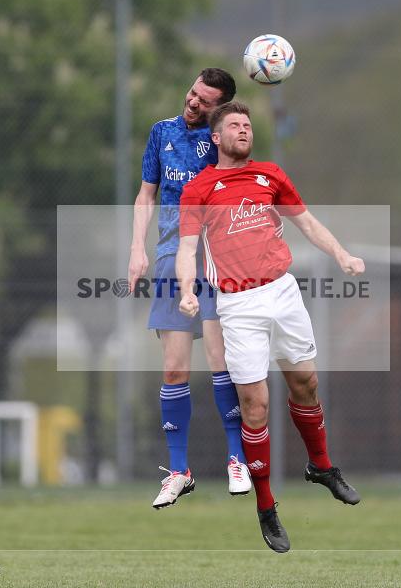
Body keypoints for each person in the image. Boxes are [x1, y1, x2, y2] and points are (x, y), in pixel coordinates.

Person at [175, 101, 364, 553]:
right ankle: (266, 507)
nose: (243, 130)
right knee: (254, 403)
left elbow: (308, 223)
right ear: (216, 138)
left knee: (306, 382)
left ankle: (321, 466)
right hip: (239, 304)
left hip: (282, 291)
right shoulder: (200, 188)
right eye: (234, 126)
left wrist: (342, 255)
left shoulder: (270, 175)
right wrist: (186, 290)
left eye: (246, 124)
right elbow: (186, 248)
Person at [128, 68, 252, 509]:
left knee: (221, 362)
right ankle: (179, 472)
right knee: (175, 370)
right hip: (167, 259)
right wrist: (136, 250)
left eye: (204, 100)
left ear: (220, 108)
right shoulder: (161, 133)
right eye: (192, 93)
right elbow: (146, 194)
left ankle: (237, 460)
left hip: (216, 263)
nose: (193, 102)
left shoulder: (222, 144)